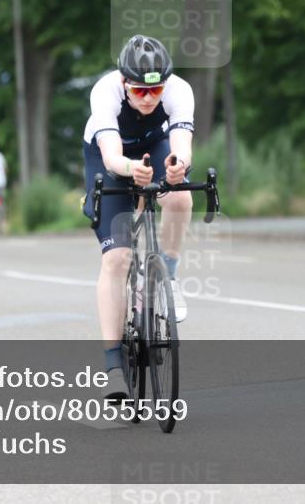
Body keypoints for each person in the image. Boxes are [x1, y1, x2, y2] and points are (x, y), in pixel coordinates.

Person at [81, 34, 194, 383]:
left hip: (155, 144)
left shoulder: (180, 89)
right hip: (108, 156)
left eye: (156, 91)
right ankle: (113, 361)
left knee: (179, 195)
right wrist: (131, 169)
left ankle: (169, 275)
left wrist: (178, 166)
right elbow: (113, 155)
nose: (148, 98)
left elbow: (181, 145)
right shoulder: (105, 91)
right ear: (124, 82)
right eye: (140, 91)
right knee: (117, 258)